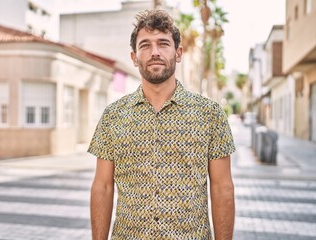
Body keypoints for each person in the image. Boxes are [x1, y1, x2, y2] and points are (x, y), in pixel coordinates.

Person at [89, 9, 235, 240]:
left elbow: (222, 188)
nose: (154, 52)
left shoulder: (210, 114)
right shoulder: (113, 116)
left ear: (178, 52)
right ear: (134, 57)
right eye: (145, 45)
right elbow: (102, 187)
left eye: (163, 43)